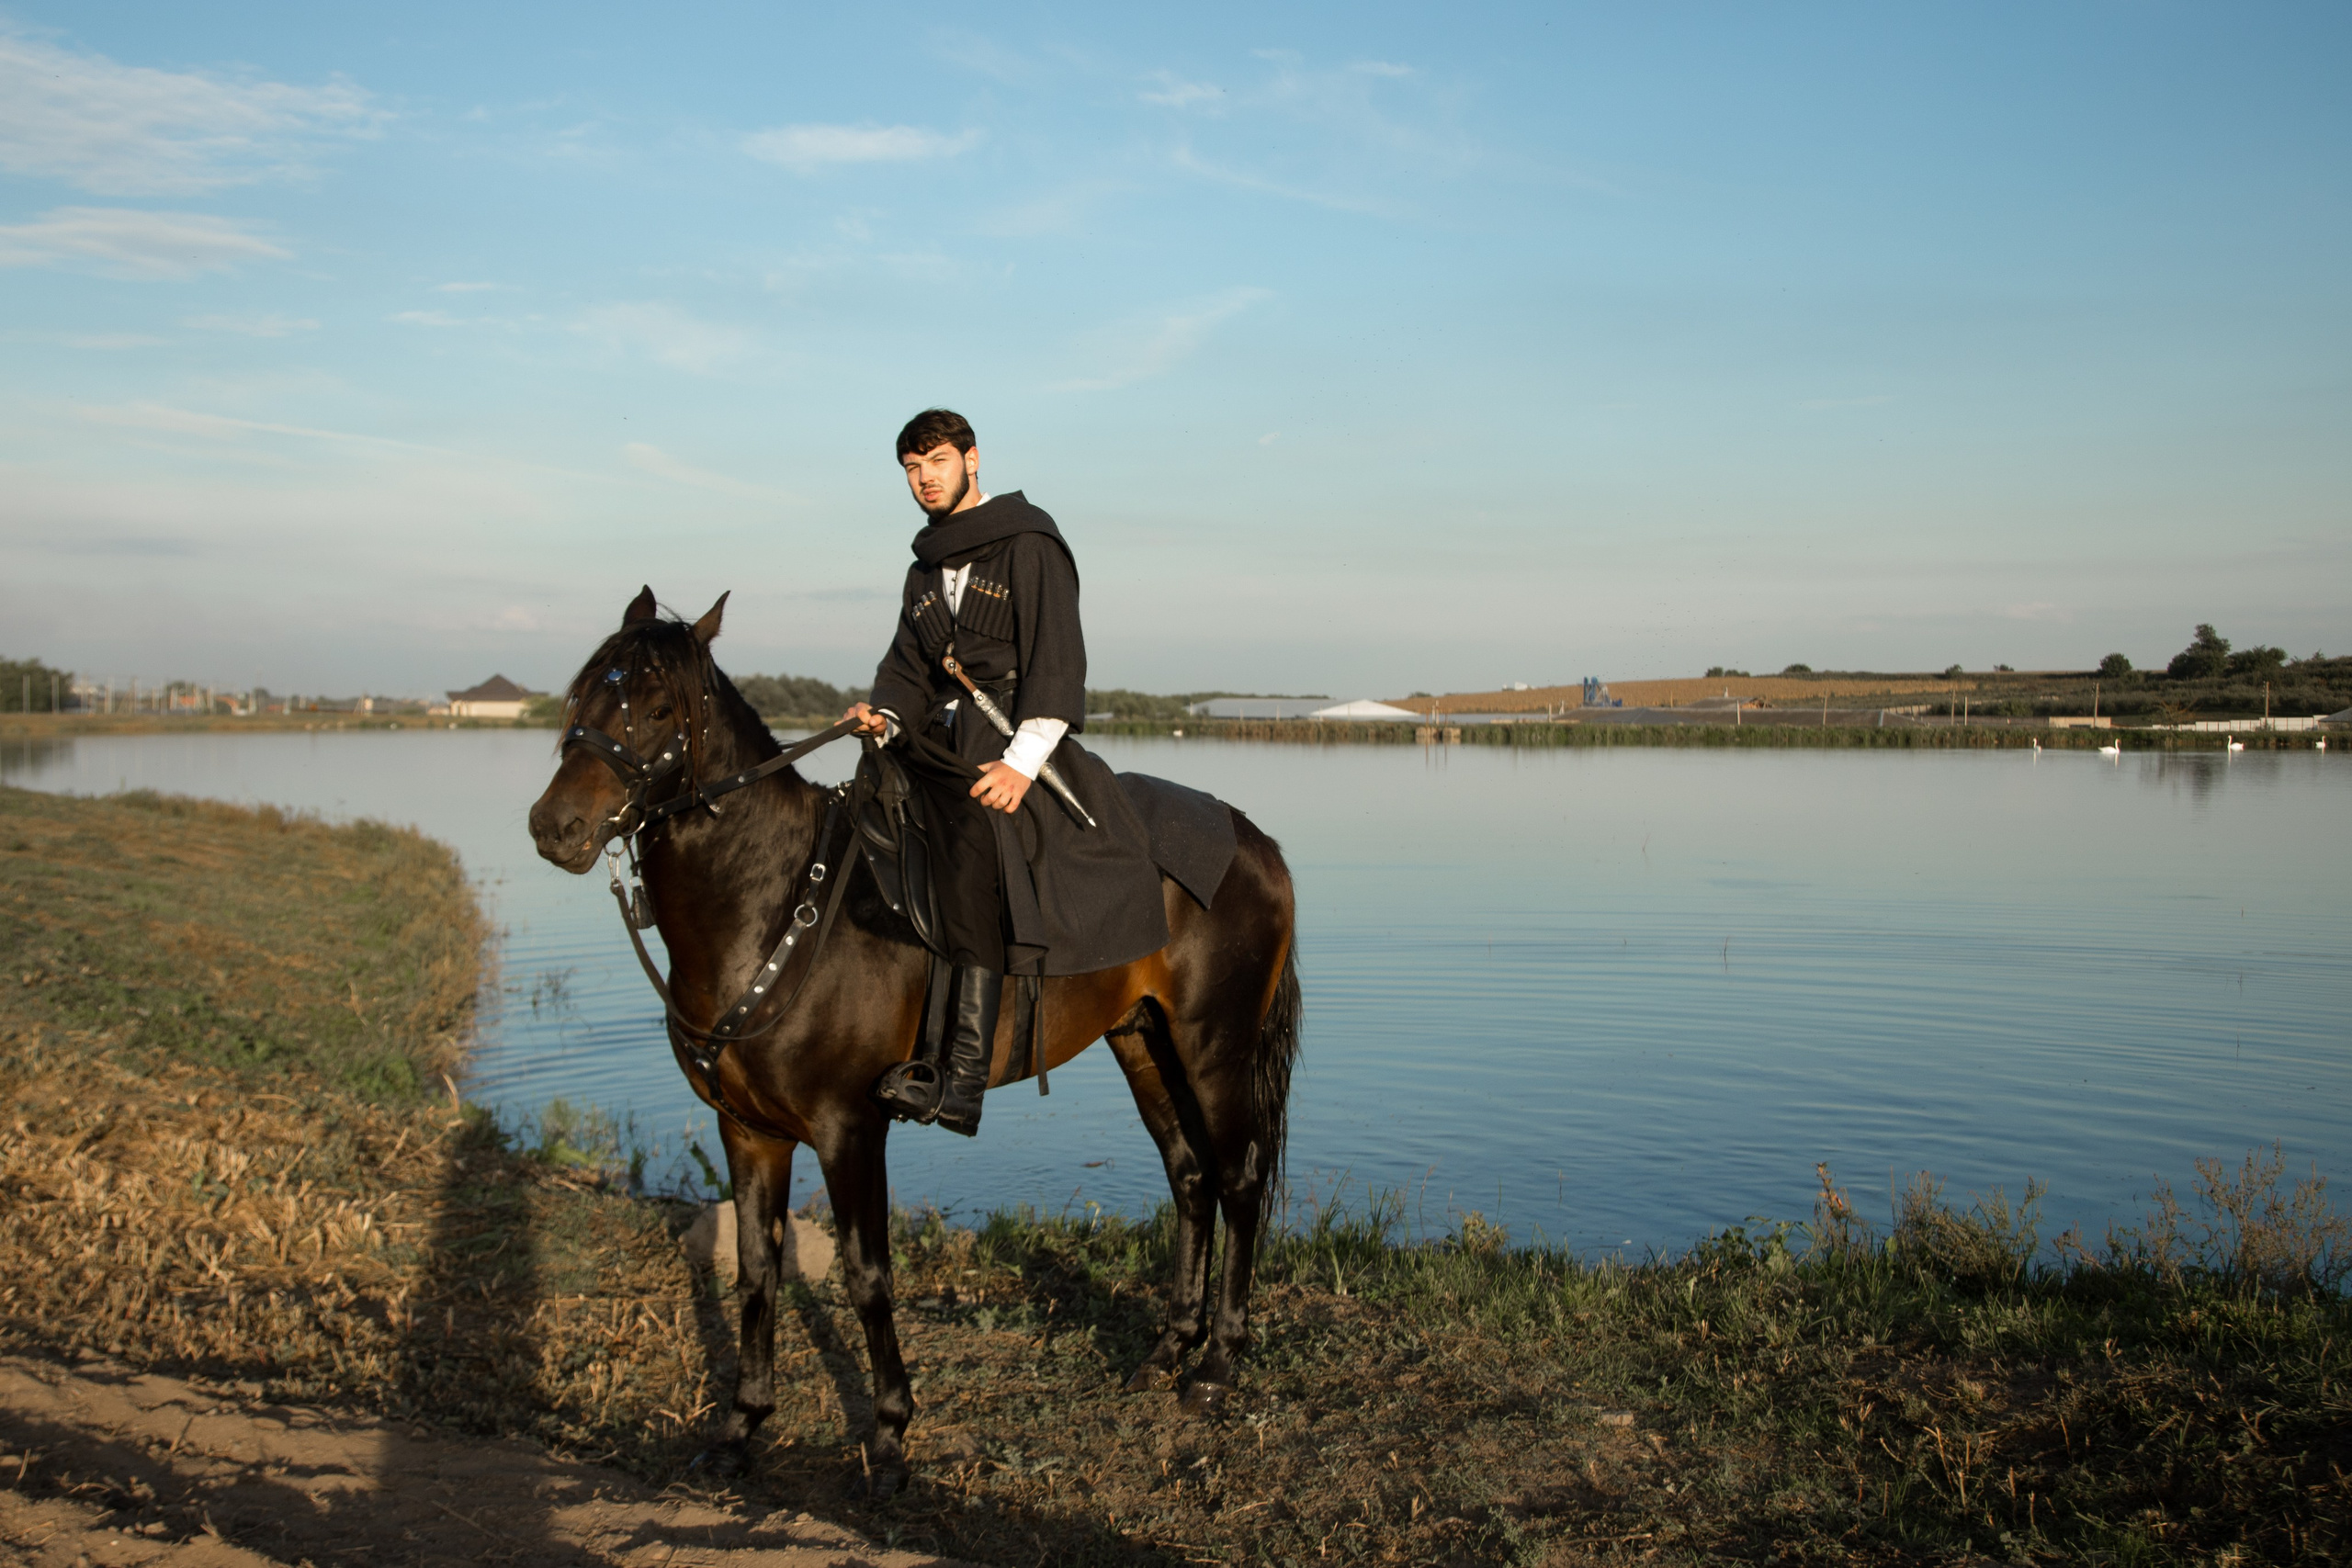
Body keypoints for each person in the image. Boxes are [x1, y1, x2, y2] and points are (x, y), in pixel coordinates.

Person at [845, 409, 1166, 1136]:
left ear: (972, 459)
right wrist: (885, 716)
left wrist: (1021, 766)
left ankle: (960, 1079)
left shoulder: (1029, 544)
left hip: (1015, 745)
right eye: (911, 468)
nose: (924, 478)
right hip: (934, 743)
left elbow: (1057, 660)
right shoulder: (923, 567)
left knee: (969, 848)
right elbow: (907, 670)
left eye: (936, 461)